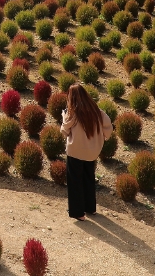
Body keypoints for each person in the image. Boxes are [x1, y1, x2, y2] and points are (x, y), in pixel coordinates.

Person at [62, 84, 112, 220]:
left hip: (75, 151)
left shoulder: (73, 113)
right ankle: (90, 208)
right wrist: (101, 138)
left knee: (75, 181)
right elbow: (108, 128)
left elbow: (65, 130)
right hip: (92, 152)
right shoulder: (97, 112)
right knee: (89, 178)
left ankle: (78, 212)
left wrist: (64, 115)